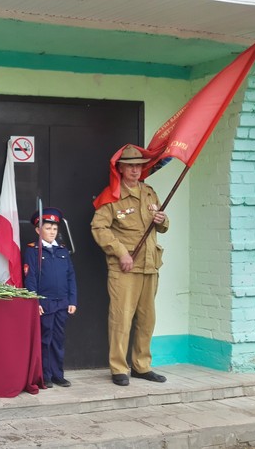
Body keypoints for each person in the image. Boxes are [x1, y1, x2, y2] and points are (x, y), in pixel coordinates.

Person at [91, 144, 168, 387]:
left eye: (139, 166)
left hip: (149, 265)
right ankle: (119, 368)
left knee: (147, 319)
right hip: (125, 267)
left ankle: (142, 366)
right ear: (121, 169)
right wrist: (120, 252)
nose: (135, 170)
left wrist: (163, 219)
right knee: (121, 319)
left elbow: (163, 227)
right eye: (130, 166)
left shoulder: (149, 193)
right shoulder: (111, 196)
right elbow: (98, 227)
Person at [23, 207, 77, 389]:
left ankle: (57, 374)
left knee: (58, 339)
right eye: (48, 228)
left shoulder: (62, 250)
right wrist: (35, 301)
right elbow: (29, 278)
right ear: (38, 230)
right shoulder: (33, 251)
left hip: (62, 302)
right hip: (44, 302)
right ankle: (44, 375)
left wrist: (72, 300)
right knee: (45, 339)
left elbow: (71, 276)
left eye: (55, 229)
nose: (52, 232)